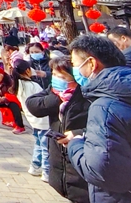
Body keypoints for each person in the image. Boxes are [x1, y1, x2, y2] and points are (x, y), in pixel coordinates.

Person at [63, 35, 131, 203]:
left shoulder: (104, 107)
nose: (74, 71)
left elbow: (101, 171)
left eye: (74, 64)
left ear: (92, 63)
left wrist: (75, 145)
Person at [26, 56, 91, 203]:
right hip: (59, 163)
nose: (55, 79)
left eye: (61, 77)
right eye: (54, 74)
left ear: (75, 78)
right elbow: (33, 104)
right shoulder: (55, 91)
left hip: (79, 160)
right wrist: (57, 98)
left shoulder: (87, 96)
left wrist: (77, 134)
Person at [12, 60, 50, 182]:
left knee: (39, 143)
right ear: (27, 70)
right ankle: (47, 172)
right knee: (46, 146)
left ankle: (35, 166)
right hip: (43, 120)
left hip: (33, 120)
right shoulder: (33, 86)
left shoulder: (18, 85)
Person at [0, 65, 25, 133]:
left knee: (15, 105)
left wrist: (3, 98)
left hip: (7, 100)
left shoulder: (10, 82)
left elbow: (13, 94)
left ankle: (20, 126)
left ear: (2, 74)